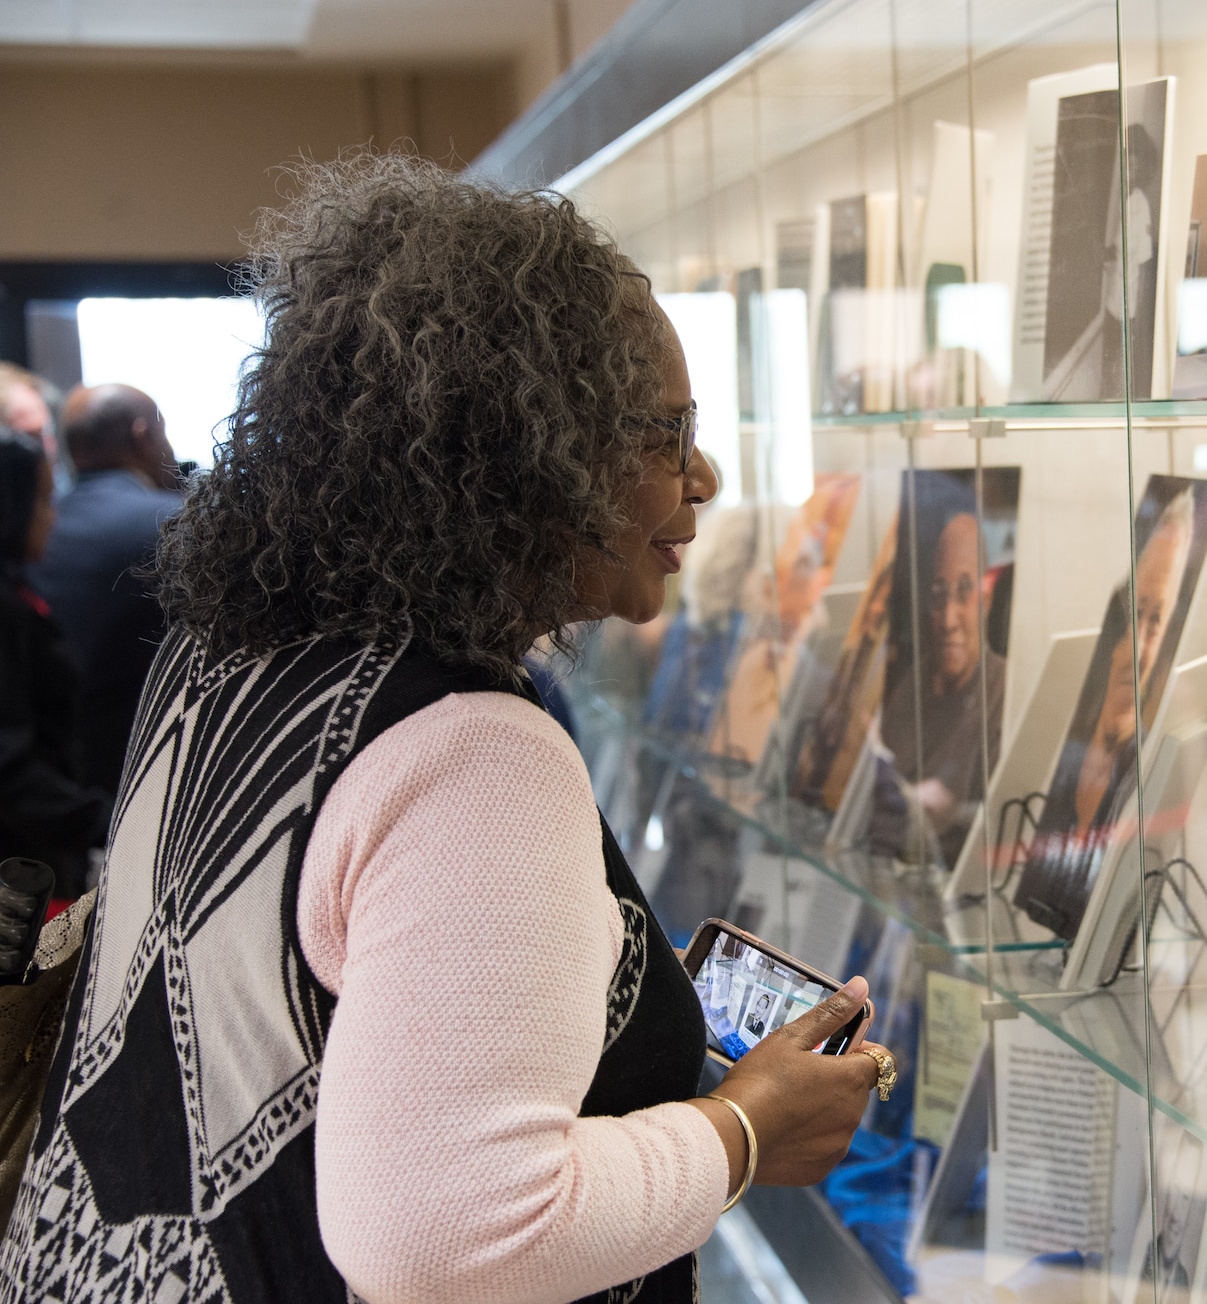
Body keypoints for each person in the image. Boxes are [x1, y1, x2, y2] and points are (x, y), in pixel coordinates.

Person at [0, 155, 891, 1304]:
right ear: (522, 452)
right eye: (665, 434)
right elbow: (446, 1237)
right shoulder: (473, 750)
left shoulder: (224, 652)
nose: (703, 477)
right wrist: (743, 1131)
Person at [1014, 489, 1195, 939]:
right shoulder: (1070, 760)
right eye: (1134, 611)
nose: (1138, 650)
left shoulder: (1144, 776)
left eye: (1156, 622)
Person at [29, 383, 183, 795]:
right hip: (143, 776)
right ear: (143, 435)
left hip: (49, 780)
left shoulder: (34, 530)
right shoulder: (175, 525)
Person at [0, 430, 108, 899]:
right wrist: (101, 820)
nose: (52, 517)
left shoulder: (14, 593)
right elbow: (8, 768)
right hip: (19, 873)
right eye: (44, 501)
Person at [875, 474, 1005, 864]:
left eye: (964, 591)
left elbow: (996, 828)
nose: (948, 619)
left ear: (986, 599)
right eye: (938, 594)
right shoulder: (909, 685)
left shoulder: (1005, 693)